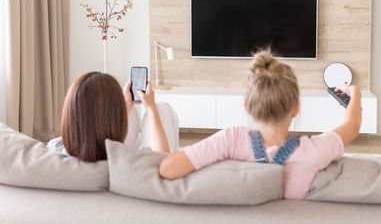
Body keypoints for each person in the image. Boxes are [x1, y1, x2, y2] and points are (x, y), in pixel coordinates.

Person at [159, 50, 362, 200]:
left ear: (247, 106)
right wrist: (355, 95)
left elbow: (168, 169)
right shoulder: (314, 150)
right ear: (296, 108)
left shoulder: (231, 140)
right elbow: (352, 126)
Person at [47, 72, 179, 162]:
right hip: (121, 158)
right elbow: (163, 160)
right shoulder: (126, 164)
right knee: (162, 108)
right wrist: (151, 108)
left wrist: (124, 106)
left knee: (132, 111)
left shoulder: (55, 148)